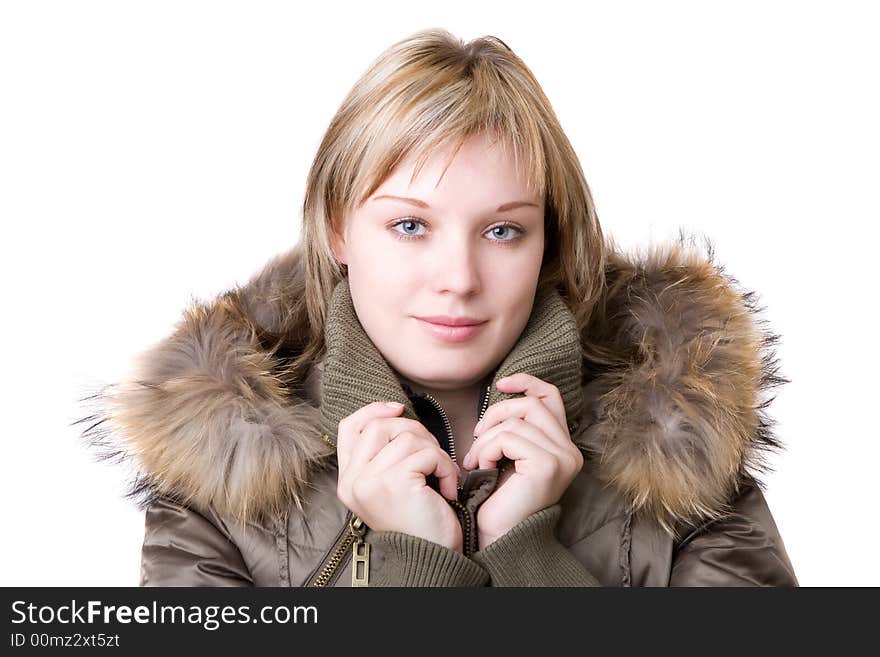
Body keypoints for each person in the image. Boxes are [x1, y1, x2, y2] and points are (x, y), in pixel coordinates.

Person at [75, 28, 798, 586]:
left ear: (549, 240)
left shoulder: (683, 455)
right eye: (410, 226)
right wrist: (415, 568)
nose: (458, 277)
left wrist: (530, 559)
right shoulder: (218, 479)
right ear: (338, 229)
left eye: (503, 229)